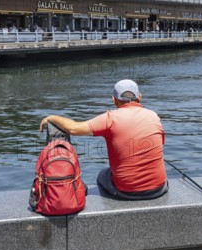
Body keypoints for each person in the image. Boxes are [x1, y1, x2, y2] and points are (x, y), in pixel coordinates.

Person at [39, 79, 168, 200]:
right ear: (139, 97)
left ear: (114, 100)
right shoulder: (154, 116)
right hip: (159, 189)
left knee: (103, 174)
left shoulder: (110, 119)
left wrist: (52, 118)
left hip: (125, 192)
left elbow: (73, 129)